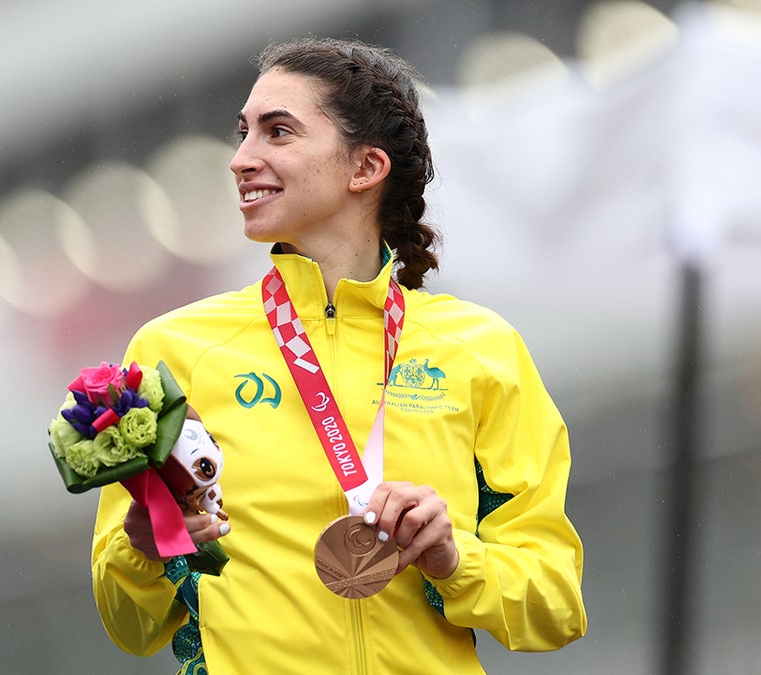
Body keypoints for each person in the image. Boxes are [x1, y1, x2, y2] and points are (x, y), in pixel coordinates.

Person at [91, 37, 587, 673]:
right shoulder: (174, 350)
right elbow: (130, 628)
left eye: (278, 132)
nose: (241, 159)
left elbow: (556, 608)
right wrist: (145, 550)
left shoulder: (480, 349)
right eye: (242, 133)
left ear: (365, 168)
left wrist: (452, 558)